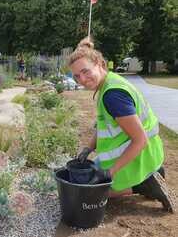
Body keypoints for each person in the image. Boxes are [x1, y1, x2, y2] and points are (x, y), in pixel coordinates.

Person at [68, 37, 175, 213]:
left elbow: (140, 141)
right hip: (139, 152)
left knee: (90, 193)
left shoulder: (113, 95)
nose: (83, 79)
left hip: (141, 155)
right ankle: (150, 176)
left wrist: (110, 172)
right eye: (77, 76)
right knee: (90, 183)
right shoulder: (108, 83)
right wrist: (88, 148)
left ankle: (145, 185)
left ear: (99, 64)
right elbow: (104, 126)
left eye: (86, 71)